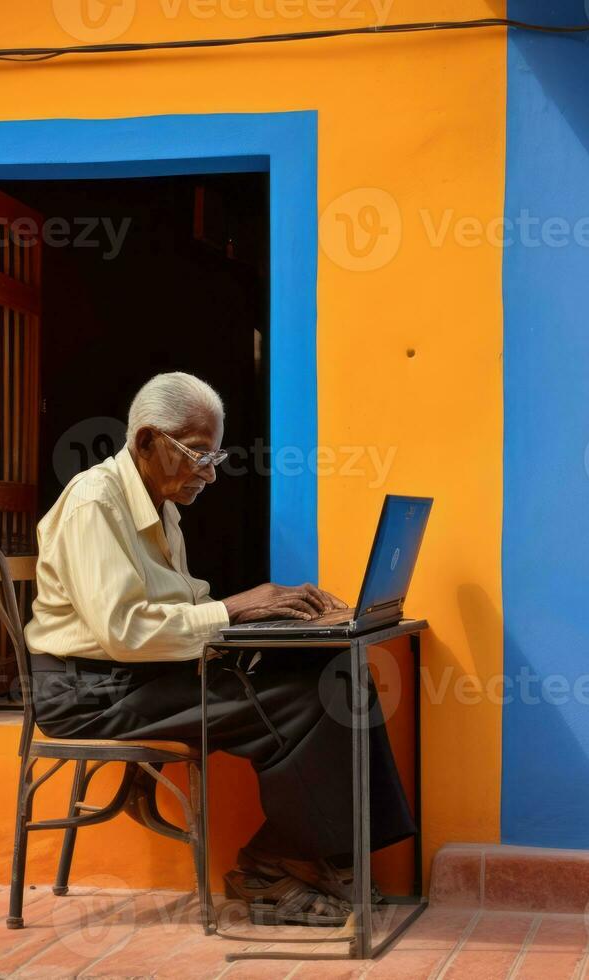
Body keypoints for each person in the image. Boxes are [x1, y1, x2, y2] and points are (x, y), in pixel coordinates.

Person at [24, 371, 415, 925]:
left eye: (216, 457)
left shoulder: (159, 506)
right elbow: (123, 630)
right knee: (306, 698)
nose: (210, 474)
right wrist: (236, 609)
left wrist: (279, 619)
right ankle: (272, 865)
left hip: (136, 676)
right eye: (198, 454)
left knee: (330, 666)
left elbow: (180, 604)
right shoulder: (96, 505)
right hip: (90, 690)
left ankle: (328, 857)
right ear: (148, 442)